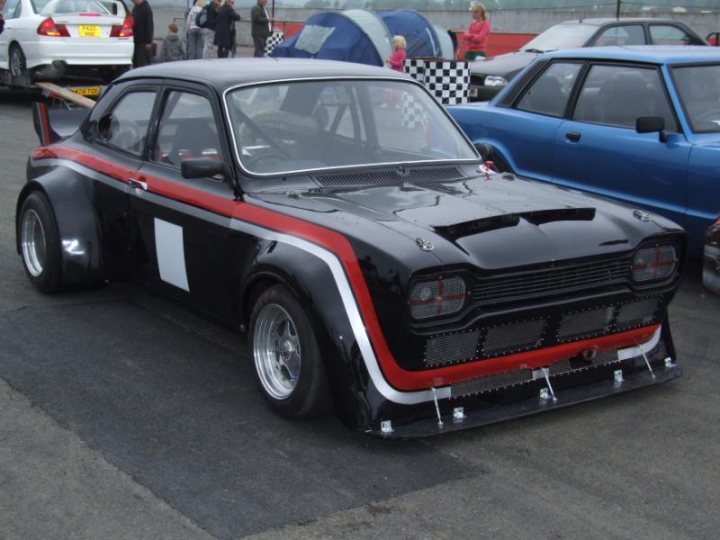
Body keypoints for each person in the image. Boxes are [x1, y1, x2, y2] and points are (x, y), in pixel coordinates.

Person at [131, 0, 154, 68]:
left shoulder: (146, 9)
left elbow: (149, 25)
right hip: (135, 40)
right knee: (136, 62)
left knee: (142, 63)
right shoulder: (135, 8)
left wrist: (148, 41)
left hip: (143, 42)